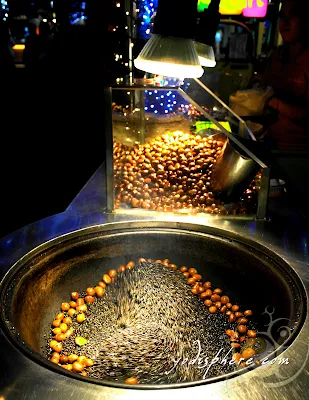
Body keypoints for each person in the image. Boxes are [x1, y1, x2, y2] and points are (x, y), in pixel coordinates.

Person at [261, 0, 309, 152]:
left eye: (293, 15)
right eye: (282, 16)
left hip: (298, 153)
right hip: (268, 143)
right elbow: (265, 87)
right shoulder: (276, 56)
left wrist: (275, 104)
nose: (285, 22)